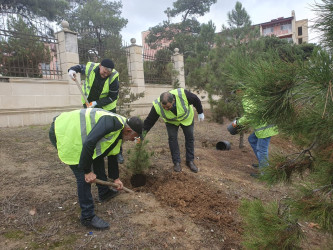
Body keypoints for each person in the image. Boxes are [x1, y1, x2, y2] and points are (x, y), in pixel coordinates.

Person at [49, 108, 143, 230]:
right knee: (83, 176)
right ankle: (87, 217)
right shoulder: (113, 123)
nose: (133, 141)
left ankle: (104, 193)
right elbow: (89, 142)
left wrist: (116, 178)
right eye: (134, 138)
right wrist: (87, 171)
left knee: (98, 157)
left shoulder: (120, 131)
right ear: (129, 130)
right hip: (64, 131)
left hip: (81, 138)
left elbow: (111, 154)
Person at [68, 58, 125, 164]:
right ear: (100, 66)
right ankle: (94, 151)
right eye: (104, 72)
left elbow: (112, 97)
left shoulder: (113, 77)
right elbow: (79, 68)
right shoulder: (91, 68)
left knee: (114, 129)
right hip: (88, 103)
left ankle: (118, 152)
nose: (105, 75)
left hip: (107, 106)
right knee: (91, 127)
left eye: (108, 73)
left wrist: (96, 103)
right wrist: (72, 70)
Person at [143, 88, 204, 173]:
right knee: (172, 139)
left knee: (189, 138)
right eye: (164, 107)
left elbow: (196, 100)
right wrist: (142, 135)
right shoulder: (157, 106)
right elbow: (149, 121)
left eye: (168, 106)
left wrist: (200, 112)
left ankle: (190, 161)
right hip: (171, 122)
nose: (166, 109)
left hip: (186, 119)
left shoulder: (183, 95)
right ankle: (176, 162)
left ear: (173, 101)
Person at [233, 94, 278, 177]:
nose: (236, 94)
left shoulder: (247, 98)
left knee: (262, 150)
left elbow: (250, 116)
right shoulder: (252, 93)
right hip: (264, 125)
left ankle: (265, 173)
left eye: (236, 92)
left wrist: (237, 122)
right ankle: (262, 163)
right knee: (252, 139)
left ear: (240, 90)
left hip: (265, 128)